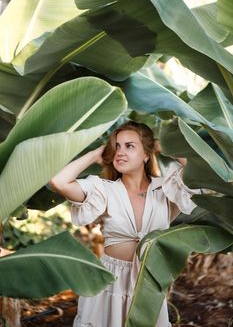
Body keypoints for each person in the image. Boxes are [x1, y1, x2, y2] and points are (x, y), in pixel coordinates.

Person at [49, 120, 200, 327]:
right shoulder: (103, 189)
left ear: (146, 155)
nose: (120, 151)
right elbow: (58, 181)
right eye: (117, 146)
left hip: (148, 281)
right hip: (109, 281)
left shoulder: (166, 188)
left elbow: (199, 172)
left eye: (130, 146)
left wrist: (165, 148)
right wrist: (95, 155)